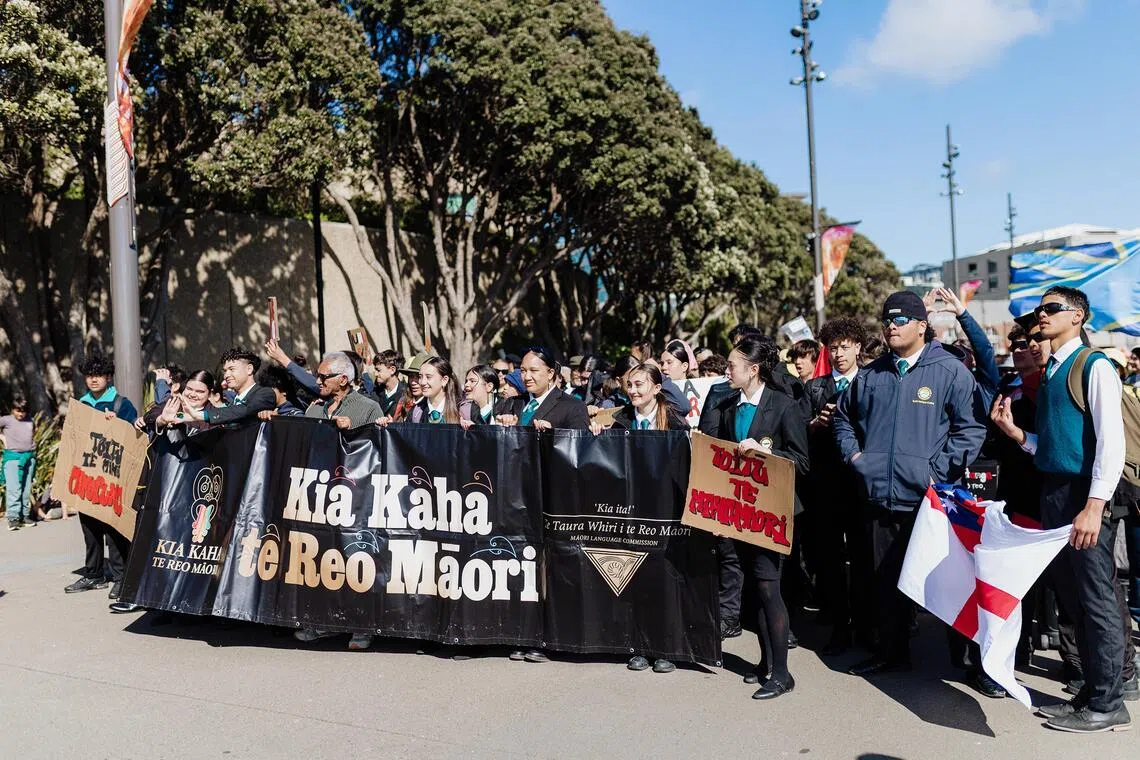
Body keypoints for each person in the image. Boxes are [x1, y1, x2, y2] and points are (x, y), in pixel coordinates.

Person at [992, 286, 1131, 732]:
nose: (1042, 315)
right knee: (1075, 600)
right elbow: (1055, 445)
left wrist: (1094, 505)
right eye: (1040, 309)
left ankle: (1109, 702)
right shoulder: (1052, 368)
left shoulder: (1094, 366)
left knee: (1097, 599)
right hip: (1055, 493)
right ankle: (1092, 691)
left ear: (1077, 316)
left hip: (1083, 496)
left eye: (1051, 308)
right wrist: (1017, 435)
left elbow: (1111, 443)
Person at [833, 291, 985, 679]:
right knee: (885, 581)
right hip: (879, 497)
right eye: (887, 320)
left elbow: (970, 430)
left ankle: (970, 665)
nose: (891, 327)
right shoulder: (871, 374)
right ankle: (892, 652)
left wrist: (935, 473)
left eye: (900, 320)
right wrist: (856, 458)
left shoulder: (950, 371)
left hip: (929, 501)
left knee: (948, 582)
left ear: (921, 326)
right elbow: (843, 419)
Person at [710, 336, 809, 700]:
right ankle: (765, 663)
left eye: (732, 365)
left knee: (769, 588)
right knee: (754, 589)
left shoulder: (783, 406)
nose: (727, 371)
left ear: (753, 370)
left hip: (772, 512)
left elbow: (802, 461)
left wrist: (766, 454)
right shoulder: (728, 407)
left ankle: (782, 673)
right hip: (740, 512)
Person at [589, 363, 688, 675]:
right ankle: (639, 646)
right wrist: (597, 435)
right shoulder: (619, 420)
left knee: (664, 580)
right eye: (629, 385)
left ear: (657, 388)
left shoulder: (674, 421)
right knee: (635, 578)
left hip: (665, 513)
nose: (633, 390)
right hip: (631, 512)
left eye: (640, 384)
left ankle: (666, 648)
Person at [804, 318, 866, 656]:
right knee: (829, 559)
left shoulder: (873, 380)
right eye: (833, 348)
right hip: (826, 484)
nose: (839, 353)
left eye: (845, 346)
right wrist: (816, 423)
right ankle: (839, 626)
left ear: (858, 347)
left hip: (861, 482)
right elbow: (800, 432)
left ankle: (867, 624)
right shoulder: (815, 387)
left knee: (863, 557)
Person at [65, 355, 138, 596]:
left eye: (99, 375)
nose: (93, 379)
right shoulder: (81, 404)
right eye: (89, 375)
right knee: (89, 528)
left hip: (112, 479)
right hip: (87, 476)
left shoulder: (121, 404)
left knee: (113, 529)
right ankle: (94, 574)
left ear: (108, 377)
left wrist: (118, 424)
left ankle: (121, 577)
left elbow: (136, 436)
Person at [497, 347, 591, 433]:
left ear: (550, 373)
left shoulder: (573, 406)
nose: (527, 377)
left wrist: (552, 434)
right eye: (523, 371)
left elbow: (579, 443)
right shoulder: (512, 402)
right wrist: (501, 428)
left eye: (534, 370)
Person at [181, 348, 276, 426]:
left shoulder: (265, 393)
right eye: (225, 371)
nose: (226, 375)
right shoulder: (230, 402)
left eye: (231, 369)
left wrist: (200, 415)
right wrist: (180, 416)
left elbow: (245, 410)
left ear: (249, 369)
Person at [302, 352, 383, 431]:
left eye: (323, 377)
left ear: (343, 380)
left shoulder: (369, 409)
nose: (318, 381)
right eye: (317, 375)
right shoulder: (315, 409)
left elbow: (376, 439)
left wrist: (351, 432)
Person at [1, 400, 36, 530]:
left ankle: (24, 516)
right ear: (12, 409)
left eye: (23, 411)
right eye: (18, 411)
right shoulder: (6, 420)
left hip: (29, 457)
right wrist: (2, 438)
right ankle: (13, 518)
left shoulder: (30, 420)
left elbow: (33, 433)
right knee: (14, 489)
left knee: (26, 489)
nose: (21, 414)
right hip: (13, 458)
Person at [372, 350, 407, 418]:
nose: (375, 374)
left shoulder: (406, 394)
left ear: (392, 370)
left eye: (379, 370)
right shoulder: (375, 393)